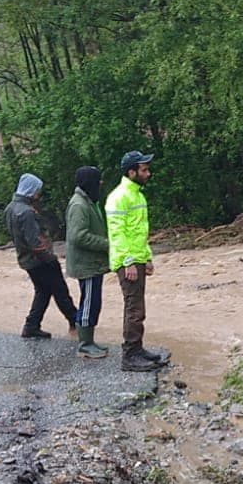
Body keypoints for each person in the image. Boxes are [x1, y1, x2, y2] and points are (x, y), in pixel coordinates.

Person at [106, 151, 167, 373]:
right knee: (134, 309)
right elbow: (117, 233)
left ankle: (137, 349)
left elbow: (139, 232)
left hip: (137, 258)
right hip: (127, 261)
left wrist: (147, 257)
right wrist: (129, 262)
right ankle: (130, 355)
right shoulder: (119, 196)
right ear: (131, 172)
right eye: (144, 170)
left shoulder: (137, 194)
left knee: (138, 308)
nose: (148, 173)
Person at [5, 173, 78, 340]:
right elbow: (34, 241)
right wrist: (49, 257)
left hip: (26, 260)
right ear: (31, 190)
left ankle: (31, 326)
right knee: (60, 290)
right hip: (40, 260)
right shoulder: (26, 212)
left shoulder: (11, 208)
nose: (39, 193)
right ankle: (76, 322)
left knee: (43, 292)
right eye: (38, 190)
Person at [64, 166, 111, 359]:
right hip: (86, 265)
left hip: (91, 263)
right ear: (90, 182)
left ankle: (89, 341)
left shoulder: (87, 201)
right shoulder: (79, 205)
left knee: (93, 302)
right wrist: (108, 244)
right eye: (98, 180)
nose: (101, 184)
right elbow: (78, 237)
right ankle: (85, 344)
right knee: (89, 303)